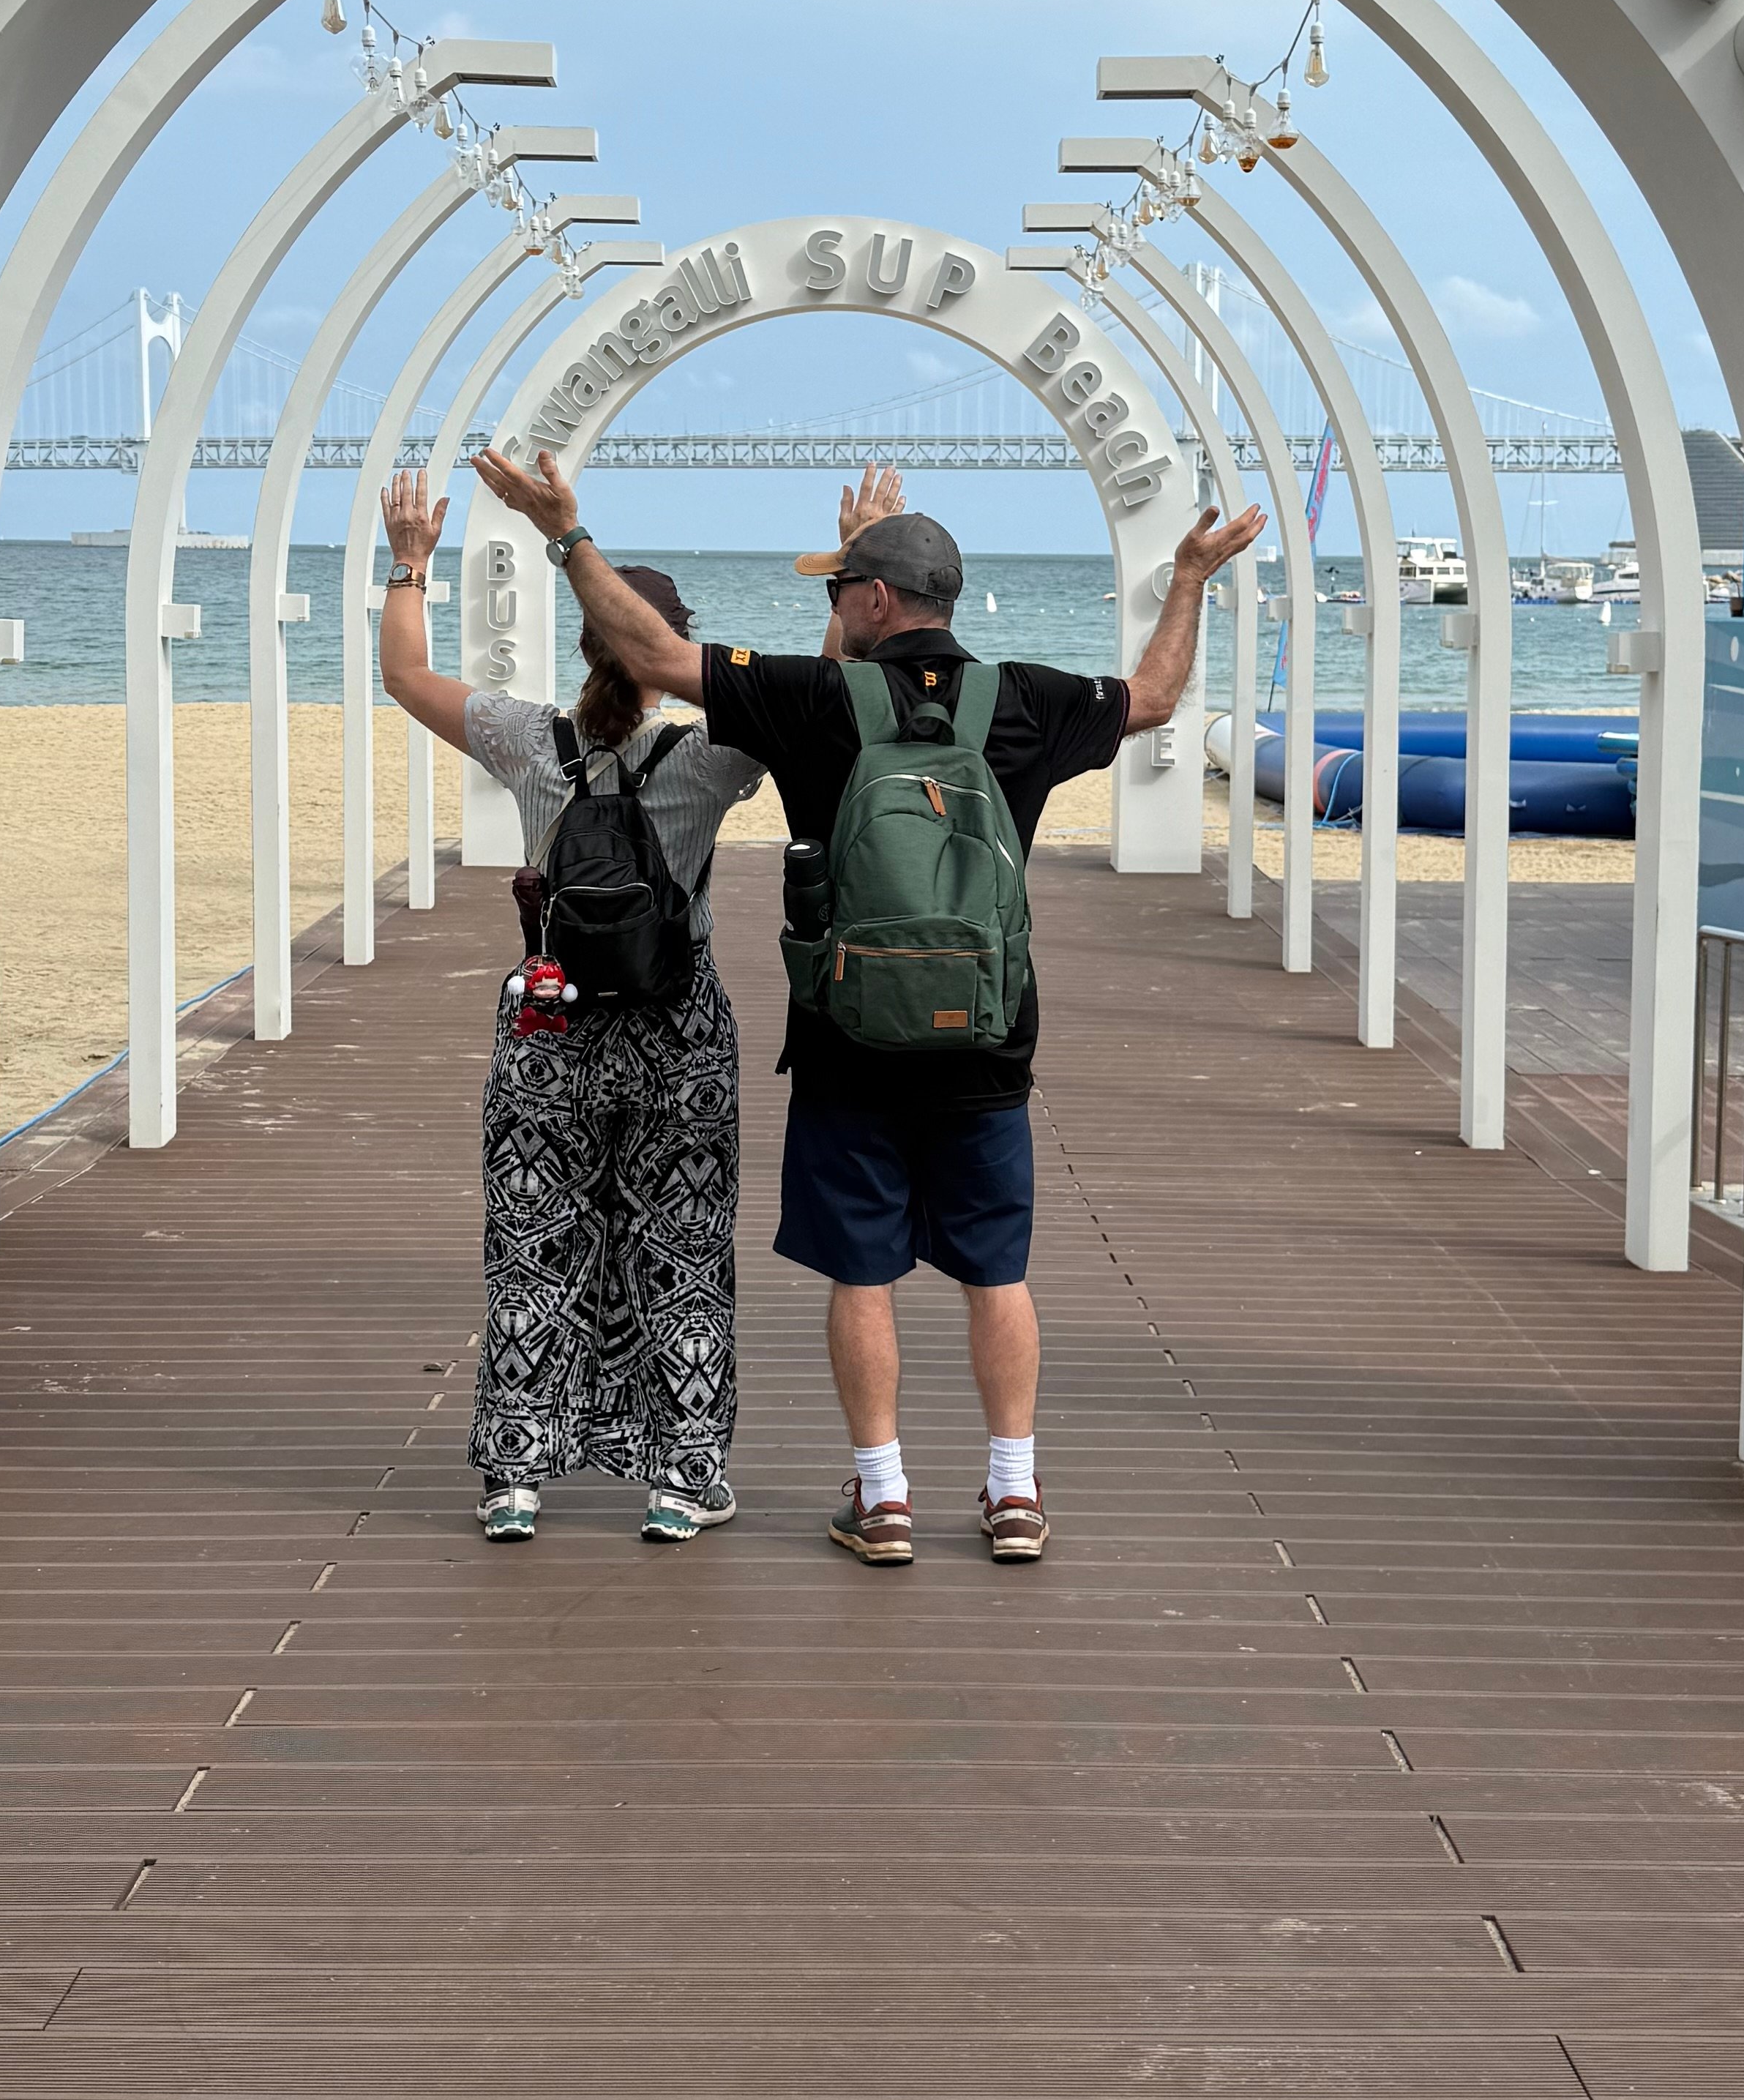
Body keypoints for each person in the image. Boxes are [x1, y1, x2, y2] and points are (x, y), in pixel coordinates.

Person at [466, 446, 1265, 1569]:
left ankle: (883, 1497)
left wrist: (564, 535)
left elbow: (649, 652)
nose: (833, 610)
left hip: (847, 1037)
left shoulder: (815, 701)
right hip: (986, 1039)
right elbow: (1162, 695)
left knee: (865, 1273)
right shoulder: (1028, 702)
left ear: (875, 600)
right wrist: (1188, 579)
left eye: (842, 591)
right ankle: (1013, 1489)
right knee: (998, 1270)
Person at [377, 470, 764, 1544]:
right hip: (678, 1034)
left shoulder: (527, 741)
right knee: (681, 1249)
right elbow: (811, 701)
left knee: (532, 1245)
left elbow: (405, 674)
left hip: (548, 1028)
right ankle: (682, 1481)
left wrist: (411, 561)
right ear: (663, 649)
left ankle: (514, 1478)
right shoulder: (710, 756)